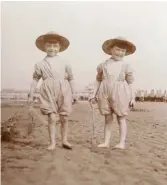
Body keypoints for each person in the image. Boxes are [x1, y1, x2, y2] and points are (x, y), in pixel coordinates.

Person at [28, 31, 77, 150]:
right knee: (51, 117)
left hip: (63, 90)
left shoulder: (65, 62)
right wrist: (31, 93)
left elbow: (71, 78)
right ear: (44, 47)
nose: (52, 48)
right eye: (49, 46)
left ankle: (65, 140)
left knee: (64, 117)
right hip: (47, 90)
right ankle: (52, 143)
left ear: (59, 47)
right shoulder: (40, 64)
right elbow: (35, 79)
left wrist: (74, 93)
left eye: (55, 46)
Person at [90, 36, 136, 149]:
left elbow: (130, 83)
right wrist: (93, 94)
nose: (120, 53)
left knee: (121, 117)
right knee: (108, 118)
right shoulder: (103, 65)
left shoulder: (126, 66)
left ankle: (121, 143)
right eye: (117, 49)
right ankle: (106, 142)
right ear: (111, 50)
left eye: (123, 51)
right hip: (104, 92)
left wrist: (133, 96)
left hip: (121, 93)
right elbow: (98, 80)